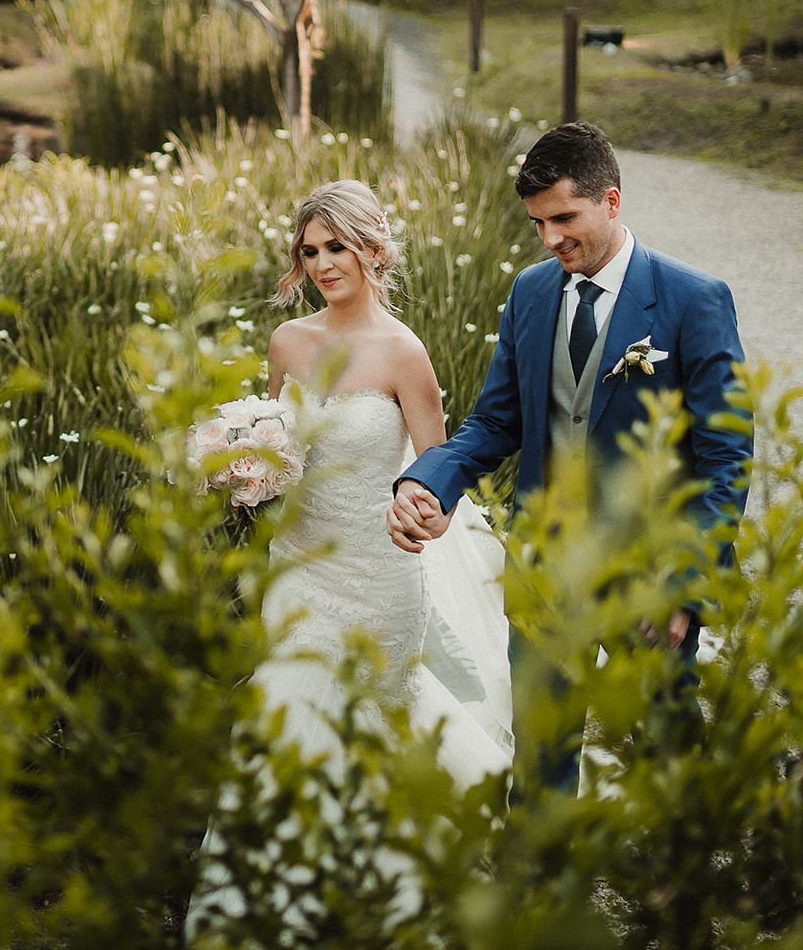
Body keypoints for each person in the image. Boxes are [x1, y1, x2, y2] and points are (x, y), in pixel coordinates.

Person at [187, 179, 511, 940]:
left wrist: (420, 512)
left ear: (371, 247)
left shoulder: (405, 353)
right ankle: (270, 900)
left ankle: (384, 892)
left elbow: (442, 476)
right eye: (310, 250)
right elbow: (271, 441)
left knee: (375, 719)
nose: (324, 262)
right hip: (299, 567)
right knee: (287, 709)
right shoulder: (288, 343)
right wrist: (238, 477)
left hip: (381, 573)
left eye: (336, 245)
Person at [387, 121, 752, 794]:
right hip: (543, 574)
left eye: (564, 217)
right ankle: (541, 889)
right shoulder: (530, 293)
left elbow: (725, 460)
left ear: (611, 201)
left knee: (666, 758)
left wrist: (683, 586)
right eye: (536, 223)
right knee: (541, 759)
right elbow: (494, 423)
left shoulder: (694, 300)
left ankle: (676, 889)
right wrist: (428, 482)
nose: (550, 238)